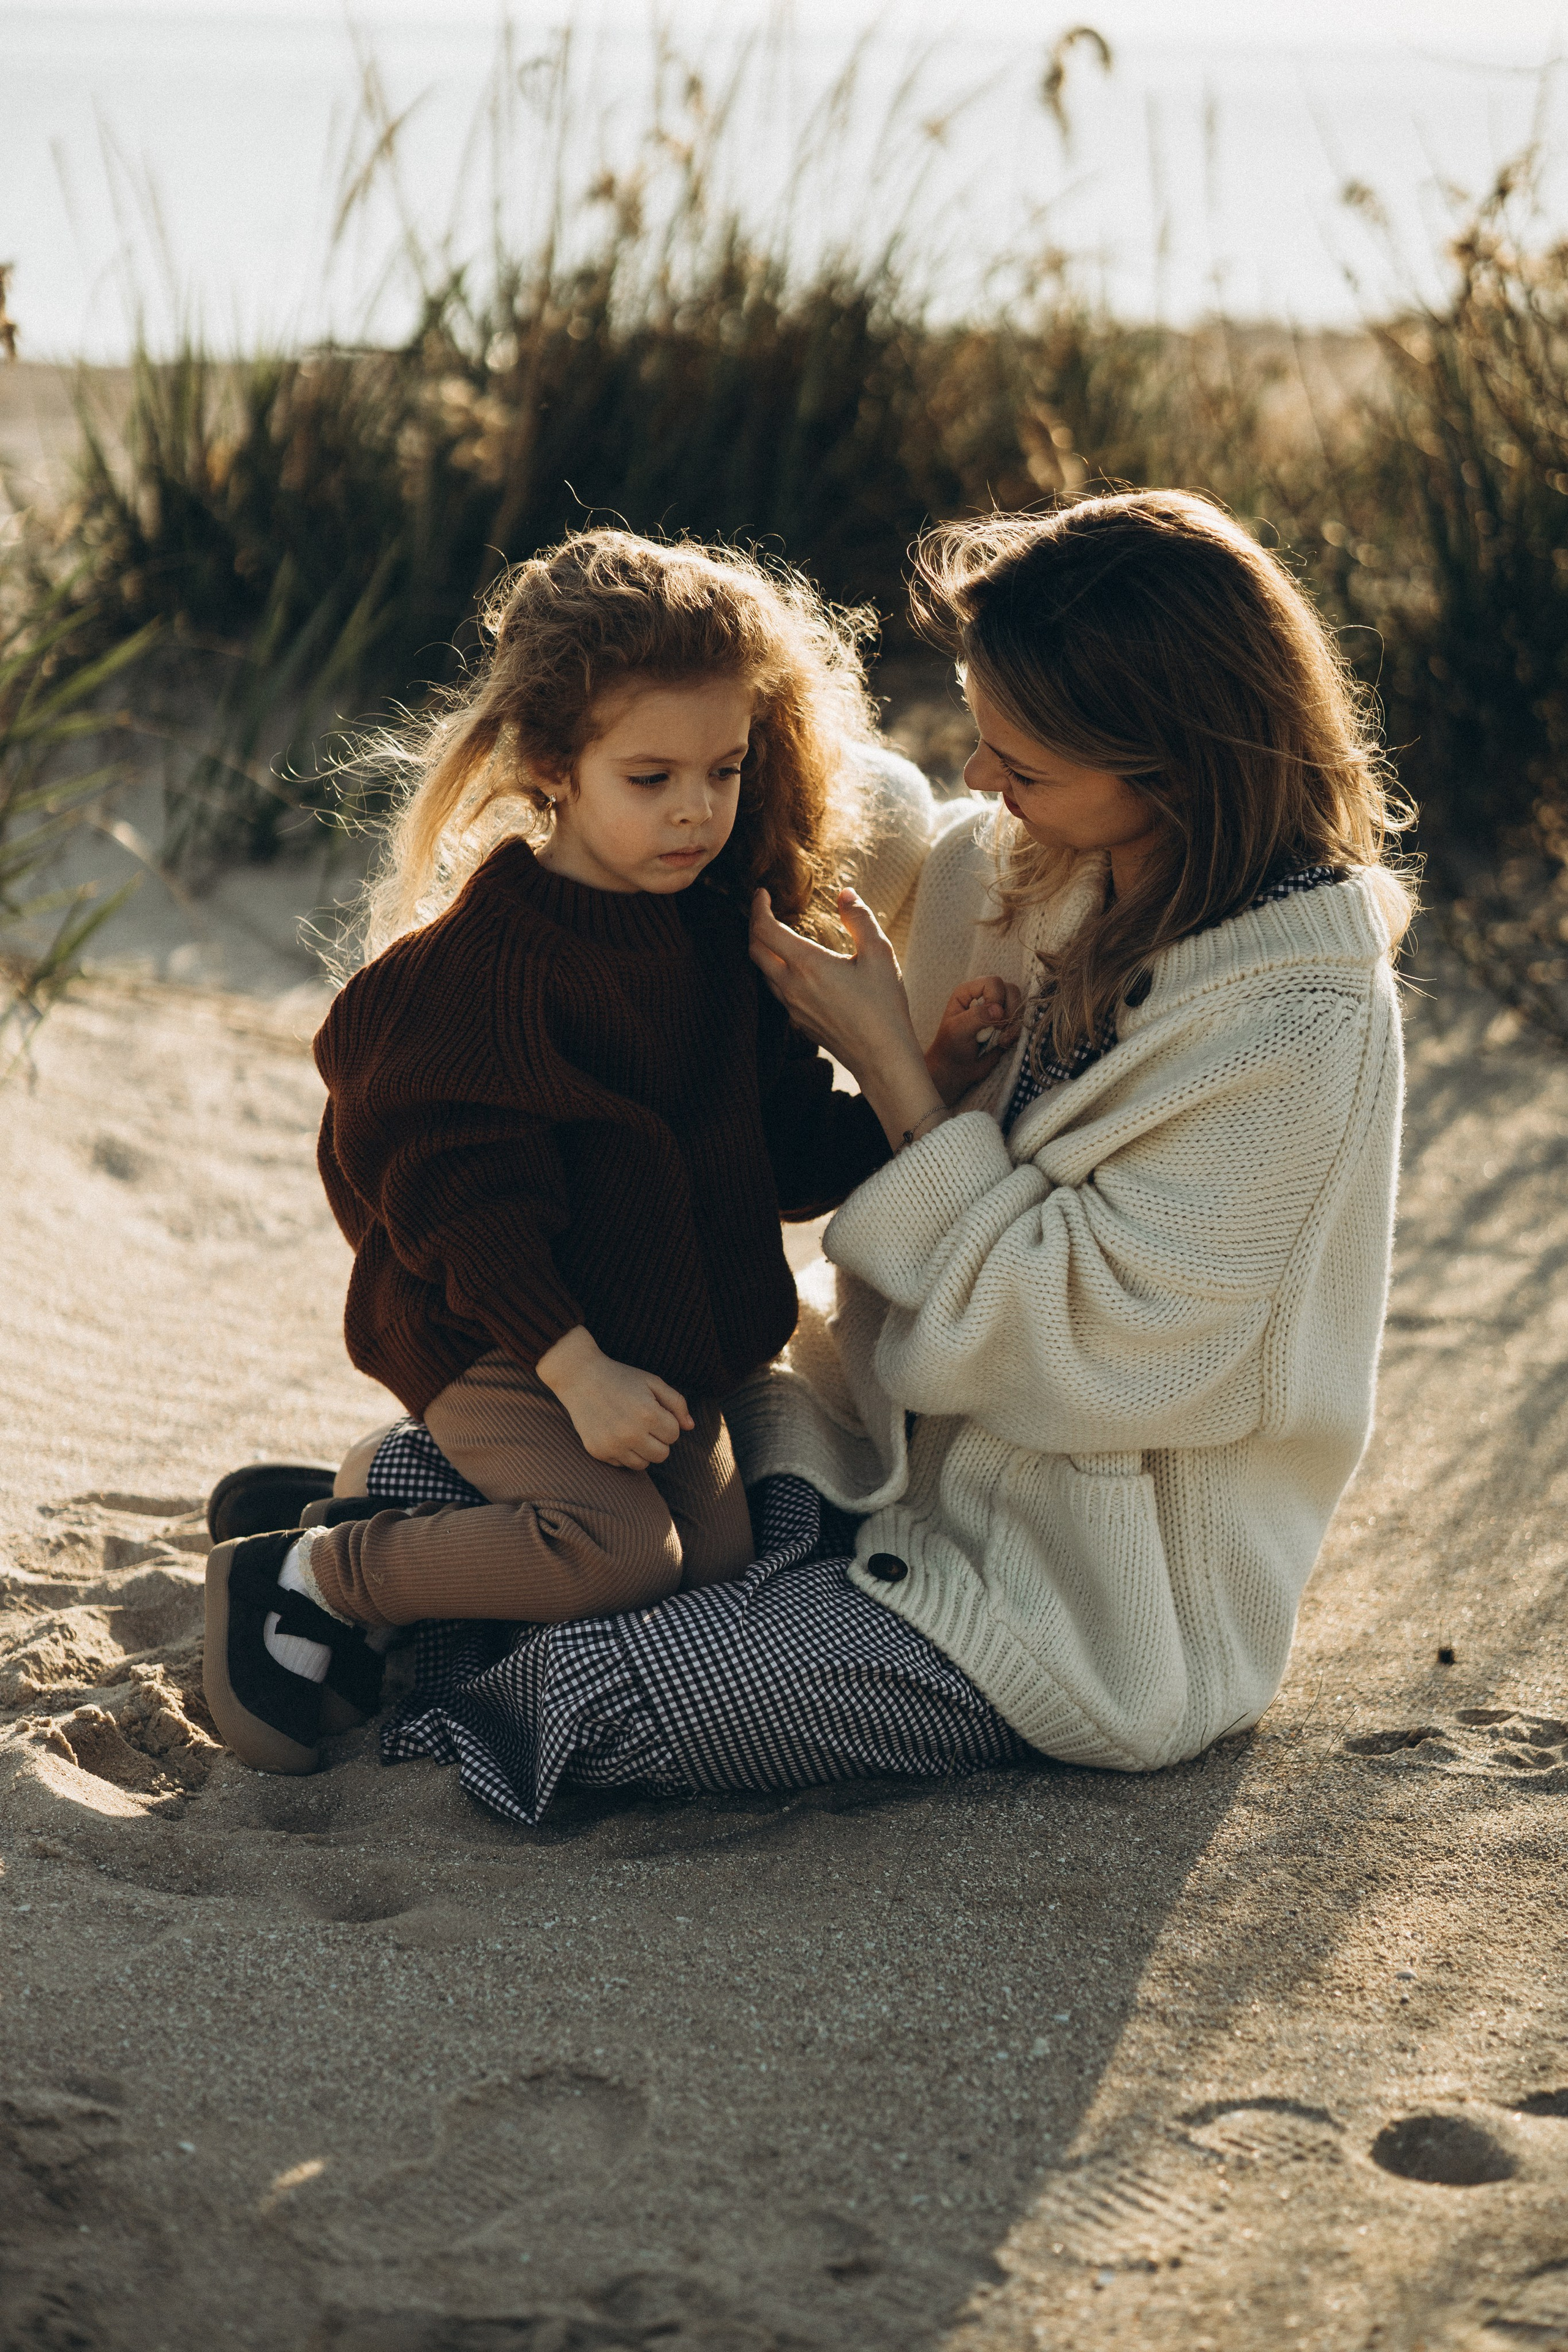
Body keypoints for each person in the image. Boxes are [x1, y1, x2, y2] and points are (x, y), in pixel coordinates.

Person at [349, 488, 1413, 1823]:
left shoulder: (1297, 1033)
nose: (984, 781)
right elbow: (837, 796)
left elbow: (1091, 1355)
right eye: (978, 733)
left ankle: (372, 1627)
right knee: (528, 1469)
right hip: (872, 1461)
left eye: (1020, 762)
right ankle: (376, 1577)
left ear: (1173, 763)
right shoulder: (1034, 855)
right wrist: (678, 652)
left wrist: (898, 1077)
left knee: (596, 1697)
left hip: (1067, 1593)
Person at [203, 529, 979, 1775]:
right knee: (620, 1556)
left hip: (651, 1339)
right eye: (650, 776)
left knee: (715, 1566)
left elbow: (773, 1155)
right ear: (550, 768)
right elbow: (460, 1210)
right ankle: (315, 1572)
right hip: (504, 1330)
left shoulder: (718, 934)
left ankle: (407, 1502)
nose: (695, 811)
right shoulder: (491, 972)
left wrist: (922, 1073)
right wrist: (573, 1374)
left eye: (723, 771)